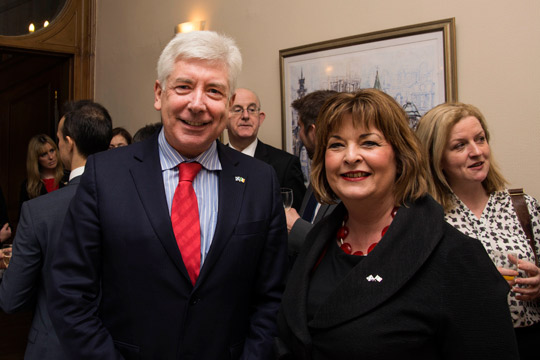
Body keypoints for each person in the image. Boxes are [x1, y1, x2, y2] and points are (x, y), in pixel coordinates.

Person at [47, 31, 287, 360]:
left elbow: (271, 298)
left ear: (229, 105)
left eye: (214, 91)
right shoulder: (106, 175)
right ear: (159, 94)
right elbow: (70, 292)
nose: (198, 103)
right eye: (184, 87)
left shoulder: (261, 181)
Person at [275, 89, 519, 359]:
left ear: (400, 157)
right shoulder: (317, 245)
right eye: (336, 145)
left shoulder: (457, 258)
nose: (350, 156)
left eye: (368, 143)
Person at [416, 102, 540, 360]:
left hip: (529, 340)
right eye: (459, 145)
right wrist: (475, 282)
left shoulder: (521, 205)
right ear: (436, 156)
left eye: (480, 139)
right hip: (462, 346)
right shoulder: (424, 218)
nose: (476, 152)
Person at [0, 100, 113, 359]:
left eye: (59, 140)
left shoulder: (39, 212)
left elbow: (12, 299)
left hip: (55, 346)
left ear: (69, 143)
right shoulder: (135, 200)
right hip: (118, 343)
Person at [227, 88, 305, 211]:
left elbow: (296, 222)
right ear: (224, 119)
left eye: (252, 110)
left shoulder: (286, 165)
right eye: (237, 110)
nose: (245, 116)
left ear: (260, 118)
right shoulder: (213, 162)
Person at [286, 90, 338, 257]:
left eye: (300, 127)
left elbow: (340, 251)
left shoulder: (346, 181)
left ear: (313, 132)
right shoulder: (318, 175)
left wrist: (296, 228)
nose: (299, 134)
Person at [19, 134, 67, 208]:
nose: (51, 157)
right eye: (44, 154)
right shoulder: (28, 186)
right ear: (36, 159)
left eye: (52, 150)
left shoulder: (67, 178)